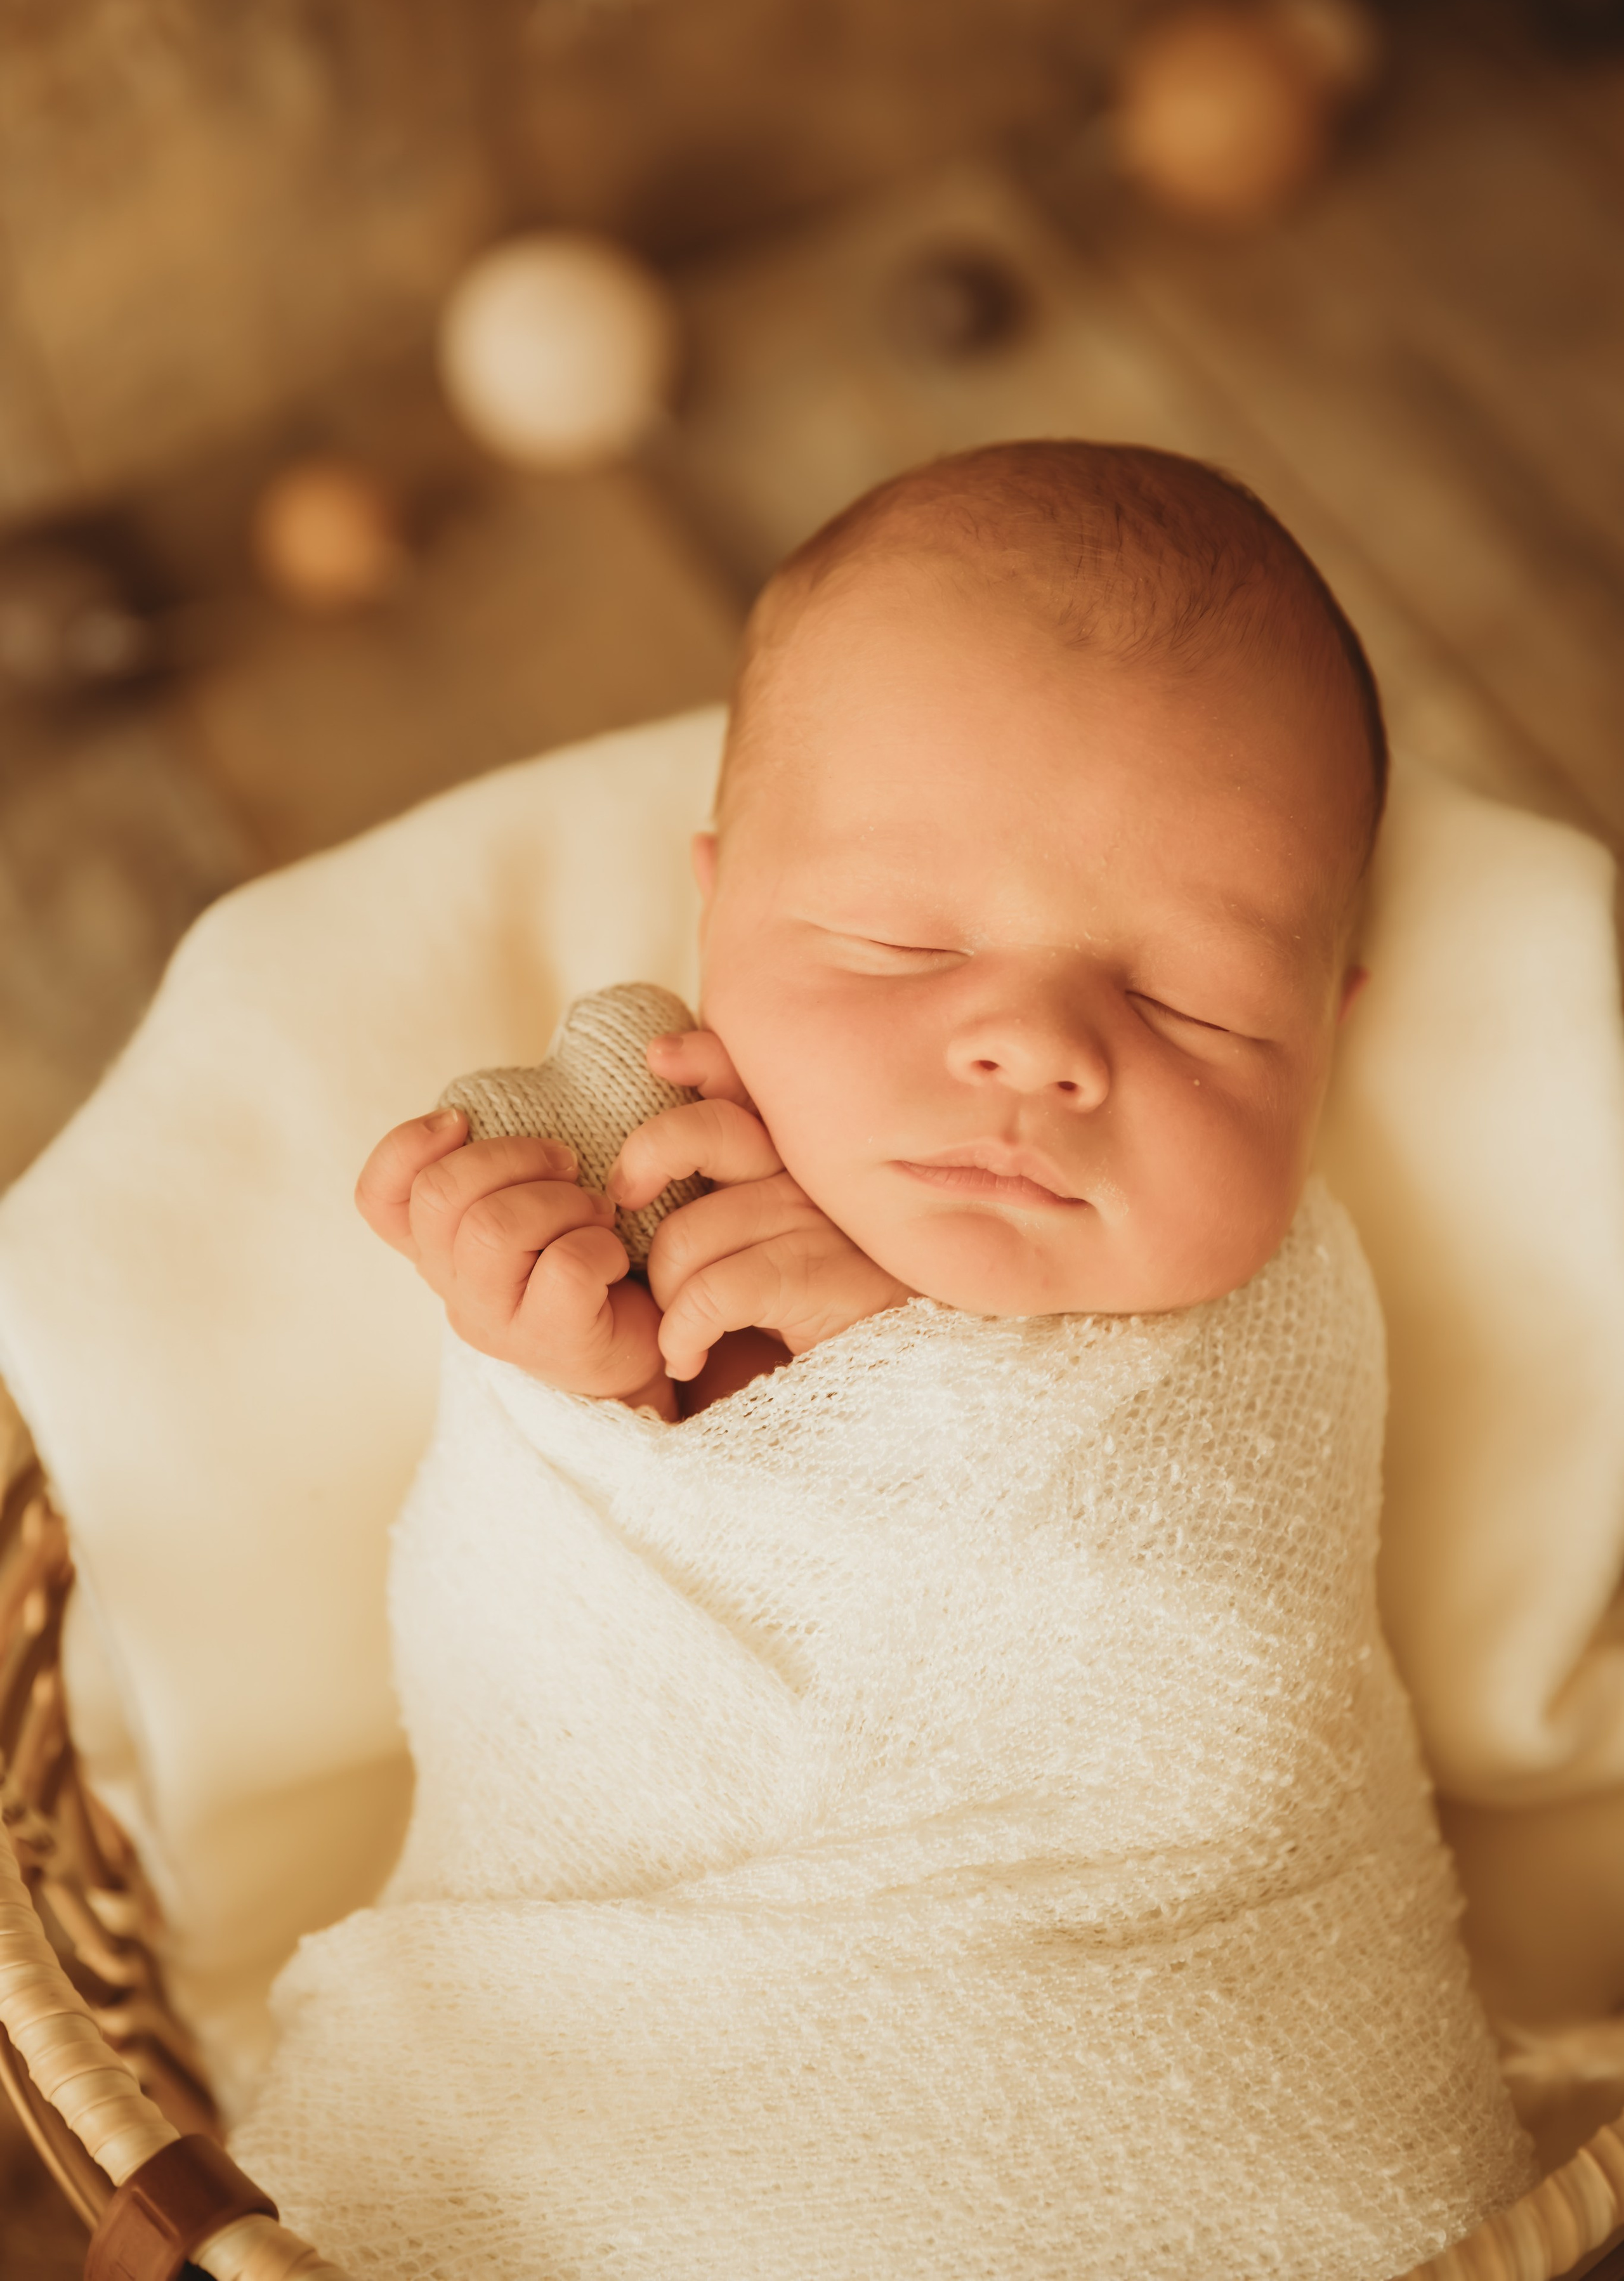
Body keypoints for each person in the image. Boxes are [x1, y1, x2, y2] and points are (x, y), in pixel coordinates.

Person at [237, 443, 1534, 2280]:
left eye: (1192, 1000)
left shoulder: (1276, 1329)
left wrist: (905, 1376)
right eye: (903, 942)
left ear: (1328, 1032)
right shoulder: (645, 1189)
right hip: (591, 2098)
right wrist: (553, 1348)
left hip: (1209, 2105)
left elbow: (1227, 1672)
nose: (1035, 1044)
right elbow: (547, 1643)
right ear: (716, 919)